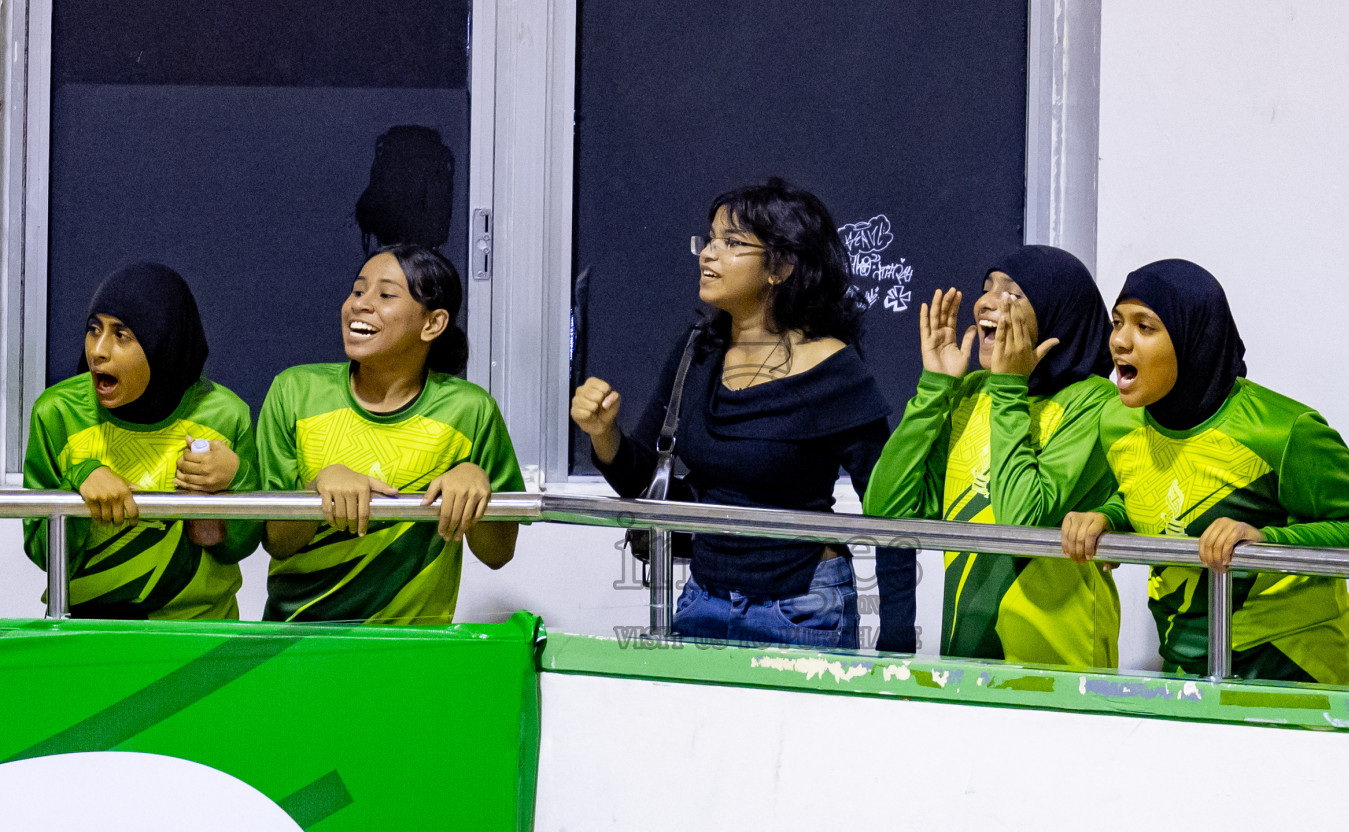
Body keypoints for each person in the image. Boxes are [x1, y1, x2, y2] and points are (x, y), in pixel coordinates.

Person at [571, 178, 914, 651]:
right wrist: (603, 433)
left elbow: (891, 511)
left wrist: (897, 647)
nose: (708, 254)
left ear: (782, 266)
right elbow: (648, 487)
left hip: (804, 608)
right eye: (709, 240)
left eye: (731, 243)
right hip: (702, 598)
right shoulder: (698, 351)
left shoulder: (834, 370)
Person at [1060, 258, 1349, 684]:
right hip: (1186, 664)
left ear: (1192, 336)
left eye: (1145, 327)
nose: (1120, 342)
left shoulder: (1281, 431)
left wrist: (1266, 541)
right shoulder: (1117, 423)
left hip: (1294, 670)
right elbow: (1160, 491)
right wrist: (1109, 515)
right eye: (1117, 323)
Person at [865, 246, 1133, 669]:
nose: (986, 302)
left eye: (1012, 294)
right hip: (966, 663)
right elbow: (885, 512)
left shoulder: (1097, 404)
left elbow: (1021, 522)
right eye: (987, 288)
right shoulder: (973, 394)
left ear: (1057, 314)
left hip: (1062, 669)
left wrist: (1010, 388)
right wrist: (934, 388)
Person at [258, 243, 521, 624]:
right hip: (296, 644)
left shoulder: (470, 410)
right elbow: (277, 543)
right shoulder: (295, 391)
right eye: (358, 290)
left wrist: (475, 483)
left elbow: (498, 555)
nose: (360, 304)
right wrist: (317, 489)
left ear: (432, 324)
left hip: (412, 651)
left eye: (385, 295)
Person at [23, 262, 260, 618]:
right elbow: (42, 552)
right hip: (86, 634)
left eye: (121, 335)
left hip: (199, 634)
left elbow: (239, 547)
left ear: (163, 341)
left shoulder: (224, 415)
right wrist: (78, 486)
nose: (98, 351)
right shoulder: (57, 412)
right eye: (94, 329)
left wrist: (232, 484)